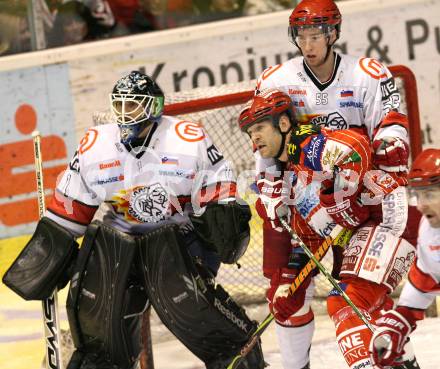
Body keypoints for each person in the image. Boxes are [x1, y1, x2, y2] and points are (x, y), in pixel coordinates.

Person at [3, 71, 265, 369]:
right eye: (121, 106)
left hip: (180, 245)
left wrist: (224, 225)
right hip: (122, 248)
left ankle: (235, 355)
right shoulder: (95, 145)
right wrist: (49, 254)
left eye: (134, 105)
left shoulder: (186, 139)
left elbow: (219, 195)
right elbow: (69, 211)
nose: (126, 114)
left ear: (153, 106)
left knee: (206, 321)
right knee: (99, 333)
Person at [250, 0, 420, 368]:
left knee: (359, 296)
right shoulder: (275, 80)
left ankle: (394, 360)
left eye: (315, 36)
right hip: (300, 201)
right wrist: (269, 186)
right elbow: (262, 137)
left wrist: (388, 152)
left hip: (356, 198)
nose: (308, 45)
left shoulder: (368, 74)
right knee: (285, 299)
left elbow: (391, 128)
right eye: (302, 37)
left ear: (333, 35)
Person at [369, 148, 440, 368]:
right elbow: (425, 280)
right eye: (417, 195)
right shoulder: (428, 231)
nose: (420, 205)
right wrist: (400, 321)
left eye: (429, 194)